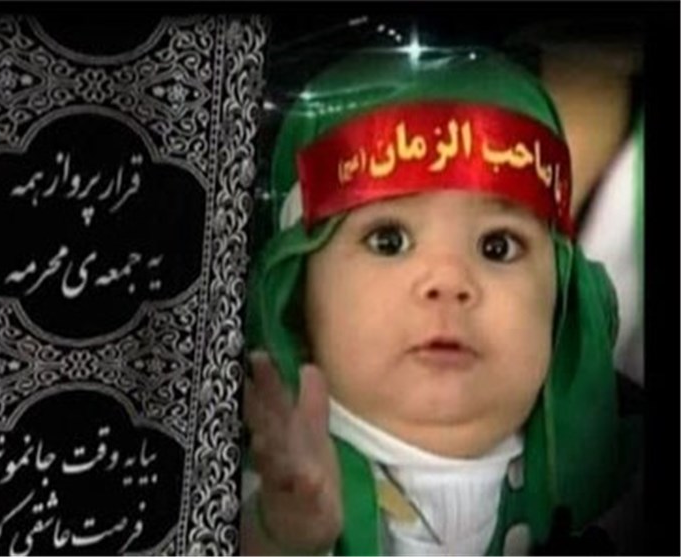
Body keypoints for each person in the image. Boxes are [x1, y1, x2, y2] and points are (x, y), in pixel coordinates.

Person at [241, 46, 639, 555]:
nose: (450, 281)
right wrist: (281, 535)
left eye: (498, 246)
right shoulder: (255, 486)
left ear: (563, 302)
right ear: (296, 298)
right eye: (389, 240)